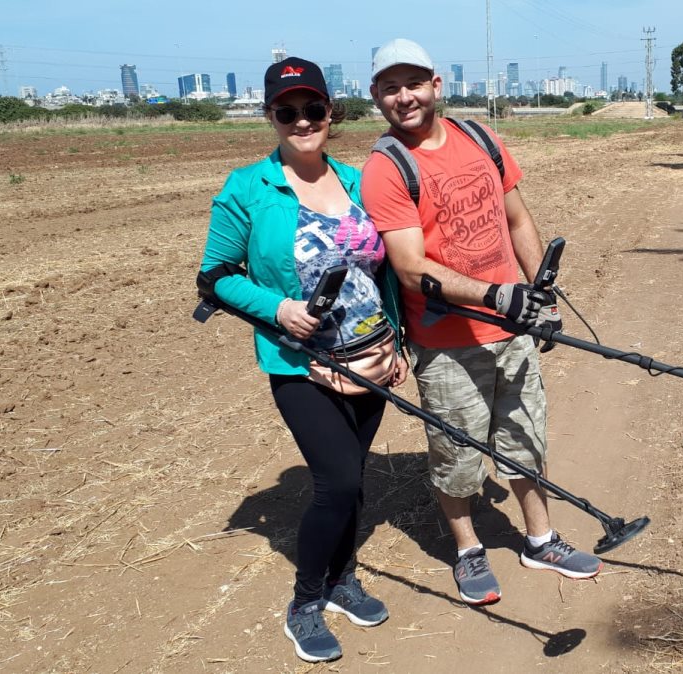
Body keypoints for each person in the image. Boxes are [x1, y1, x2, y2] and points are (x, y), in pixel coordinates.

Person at [361, 38, 602, 607]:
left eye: (413, 83)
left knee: (525, 439)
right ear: (376, 96)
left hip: (512, 329)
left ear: (436, 85)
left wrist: (540, 293)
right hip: (446, 344)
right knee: (458, 456)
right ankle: (468, 549)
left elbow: (516, 218)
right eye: (391, 87)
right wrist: (499, 295)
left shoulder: (480, 137)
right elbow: (412, 269)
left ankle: (540, 540)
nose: (405, 97)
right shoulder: (385, 168)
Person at [198, 57, 407, 663]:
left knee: (354, 481)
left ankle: (343, 579)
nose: (302, 120)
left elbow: (384, 269)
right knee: (335, 482)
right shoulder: (247, 187)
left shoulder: (358, 179)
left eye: (312, 108)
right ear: (271, 117)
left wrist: (396, 340)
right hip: (300, 363)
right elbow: (214, 278)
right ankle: (306, 602)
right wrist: (279, 307)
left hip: (369, 355)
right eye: (287, 111)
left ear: (329, 112)